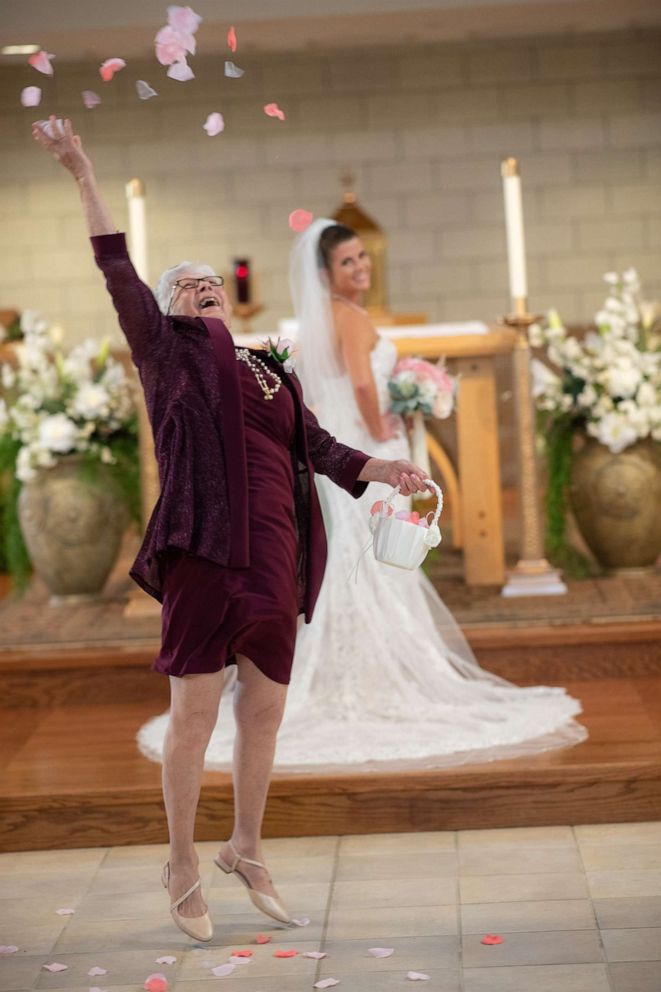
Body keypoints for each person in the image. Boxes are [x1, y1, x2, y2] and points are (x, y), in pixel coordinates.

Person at [32, 120, 431, 942]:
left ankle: (245, 847)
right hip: (206, 552)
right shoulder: (165, 350)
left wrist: (387, 471)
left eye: (216, 282)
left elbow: (316, 447)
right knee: (194, 713)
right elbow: (114, 262)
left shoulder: (270, 366)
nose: (208, 288)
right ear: (171, 304)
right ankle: (181, 861)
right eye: (192, 285)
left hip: (274, 554)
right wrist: (82, 170)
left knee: (268, 708)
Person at [139, 218, 587, 773]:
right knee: (365, 569)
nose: (360, 269)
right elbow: (358, 385)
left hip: (341, 455)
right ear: (324, 271)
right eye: (348, 261)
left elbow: (316, 429)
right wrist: (382, 430)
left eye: (363, 258)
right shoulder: (324, 323)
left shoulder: (286, 345)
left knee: (352, 571)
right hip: (347, 448)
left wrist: (379, 453)